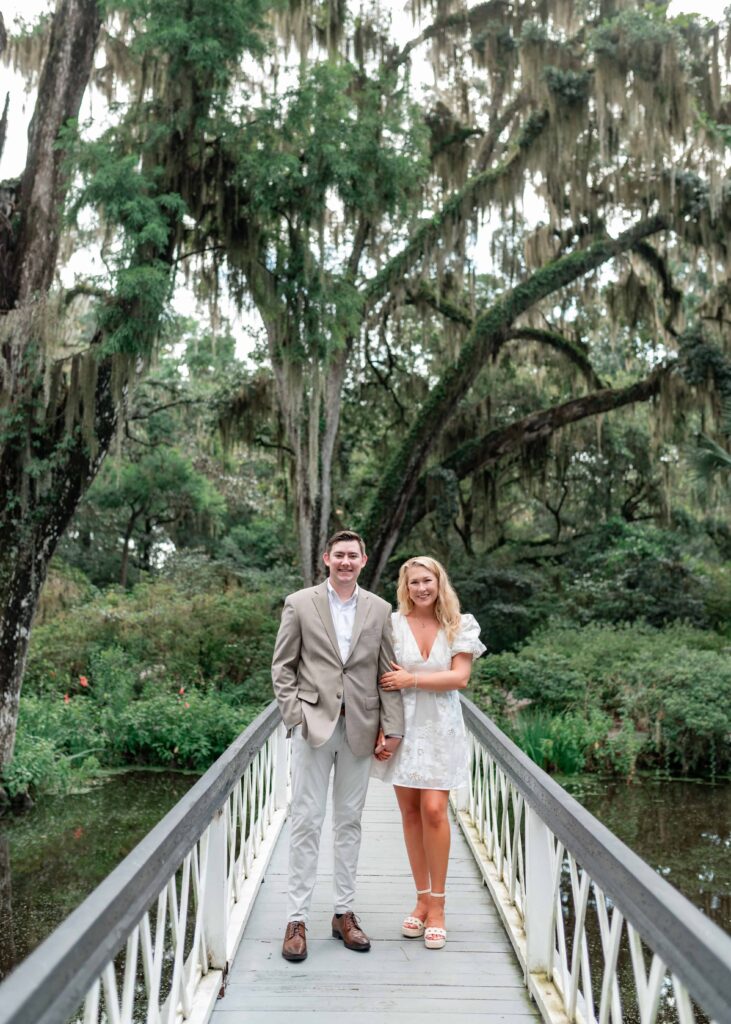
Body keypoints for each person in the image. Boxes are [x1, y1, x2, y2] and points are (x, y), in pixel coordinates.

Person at [272, 529, 404, 962]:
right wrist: (296, 716)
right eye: (339, 555)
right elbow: (283, 668)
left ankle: (343, 912)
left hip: (361, 730)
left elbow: (387, 673)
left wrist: (394, 727)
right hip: (313, 727)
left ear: (363, 561)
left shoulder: (380, 609)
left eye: (353, 556)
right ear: (327, 558)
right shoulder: (299, 603)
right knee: (306, 820)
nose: (346, 562)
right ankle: (296, 919)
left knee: (349, 822)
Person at [372, 556, 485, 950]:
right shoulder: (392, 625)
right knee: (409, 813)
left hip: (440, 729)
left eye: (428, 580)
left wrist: (412, 678)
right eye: (414, 582)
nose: (422, 588)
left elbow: (460, 677)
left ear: (440, 582)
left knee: (434, 810)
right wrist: (381, 729)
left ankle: (438, 905)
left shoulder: (459, 624)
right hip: (403, 728)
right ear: (405, 587)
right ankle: (420, 899)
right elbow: (380, 681)